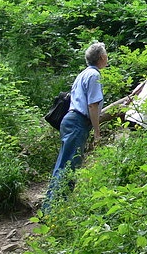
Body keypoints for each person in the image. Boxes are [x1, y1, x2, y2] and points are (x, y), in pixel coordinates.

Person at [44, 42, 115, 210]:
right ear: (102, 58)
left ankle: (50, 206)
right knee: (69, 166)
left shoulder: (83, 74)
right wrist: (97, 133)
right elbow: (92, 106)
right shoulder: (94, 76)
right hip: (77, 123)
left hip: (69, 121)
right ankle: (55, 209)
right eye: (106, 55)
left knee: (64, 164)